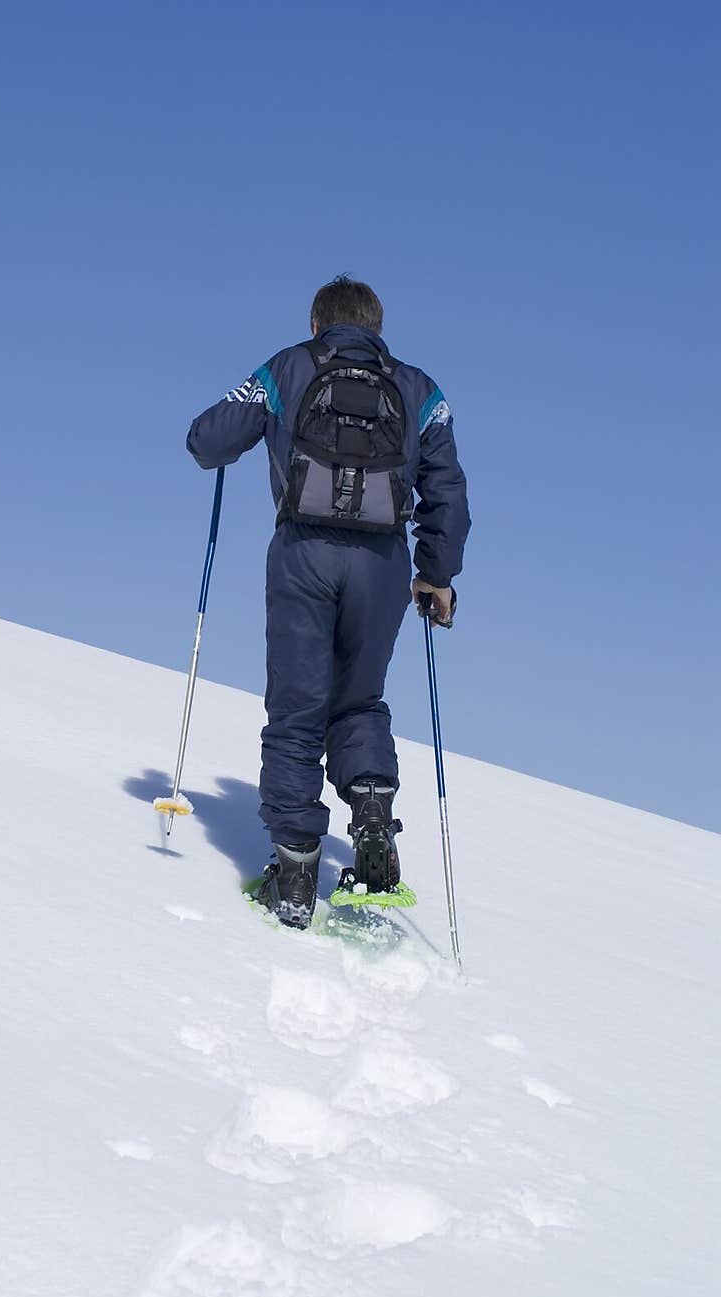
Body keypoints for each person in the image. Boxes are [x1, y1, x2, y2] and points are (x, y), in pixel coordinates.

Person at [187, 275, 470, 928]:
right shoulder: (420, 389)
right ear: (377, 327)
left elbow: (208, 439)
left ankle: (292, 876)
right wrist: (436, 574)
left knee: (297, 707)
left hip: (303, 555)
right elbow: (447, 490)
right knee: (358, 700)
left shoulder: (289, 366)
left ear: (318, 324)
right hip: (382, 564)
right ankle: (372, 825)